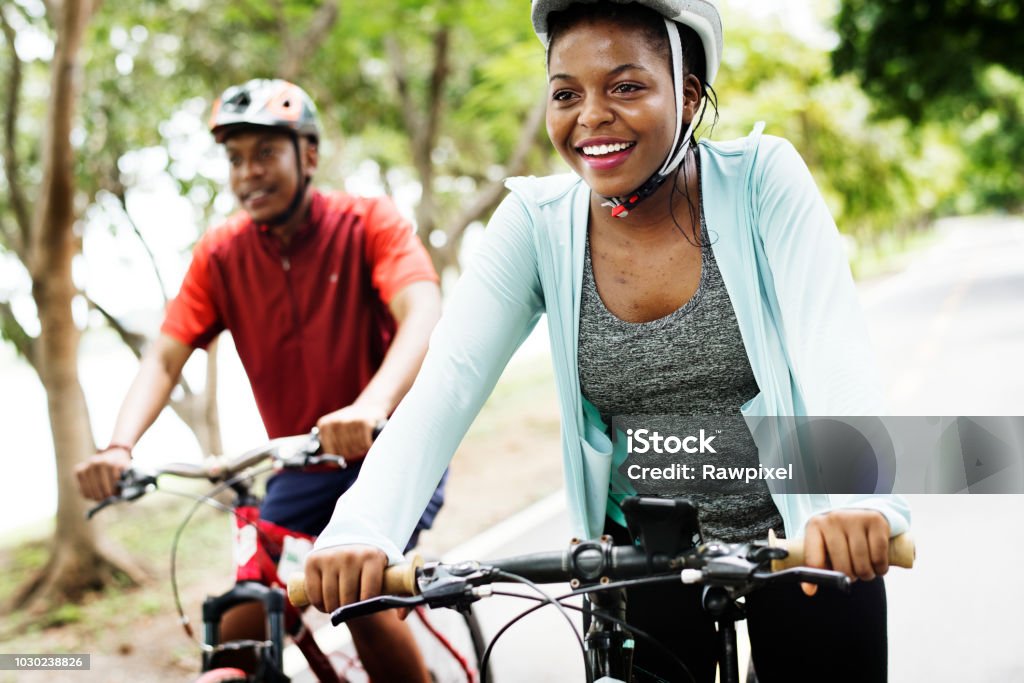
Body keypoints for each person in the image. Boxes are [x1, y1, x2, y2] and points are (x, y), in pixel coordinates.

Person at [305, 2, 911, 681]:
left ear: (685, 93)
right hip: (644, 554)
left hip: (805, 536)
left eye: (625, 86)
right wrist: (361, 526)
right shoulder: (536, 225)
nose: (590, 115)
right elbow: (446, 382)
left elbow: (833, 348)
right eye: (566, 93)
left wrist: (858, 501)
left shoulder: (762, 179)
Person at [75, 79, 442, 682]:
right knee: (241, 622)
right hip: (300, 463)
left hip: (393, 448)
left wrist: (371, 406)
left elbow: (422, 313)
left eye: (265, 153)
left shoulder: (368, 222)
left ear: (310, 155)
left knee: (354, 588)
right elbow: (165, 359)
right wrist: (119, 446)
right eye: (235, 159)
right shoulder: (221, 254)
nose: (248, 172)